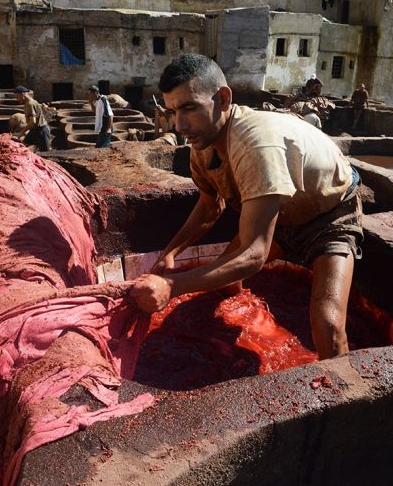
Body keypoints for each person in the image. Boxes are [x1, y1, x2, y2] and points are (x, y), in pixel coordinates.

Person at [129, 54, 363, 360]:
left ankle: (345, 398)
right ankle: (240, 318)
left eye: (189, 108)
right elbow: (210, 207)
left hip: (329, 215)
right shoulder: (203, 142)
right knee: (230, 281)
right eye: (173, 111)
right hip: (281, 214)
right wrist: (170, 253)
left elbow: (254, 256)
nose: (179, 124)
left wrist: (170, 286)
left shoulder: (256, 144)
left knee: (328, 323)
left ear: (223, 98)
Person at [14, 85, 50, 152]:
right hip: (35, 130)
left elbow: (32, 121)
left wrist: (22, 132)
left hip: (41, 131)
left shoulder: (30, 104)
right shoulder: (31, 101)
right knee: (24, 145)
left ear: (22, 94)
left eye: (17, 97)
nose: (17, 99)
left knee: (45, 153)